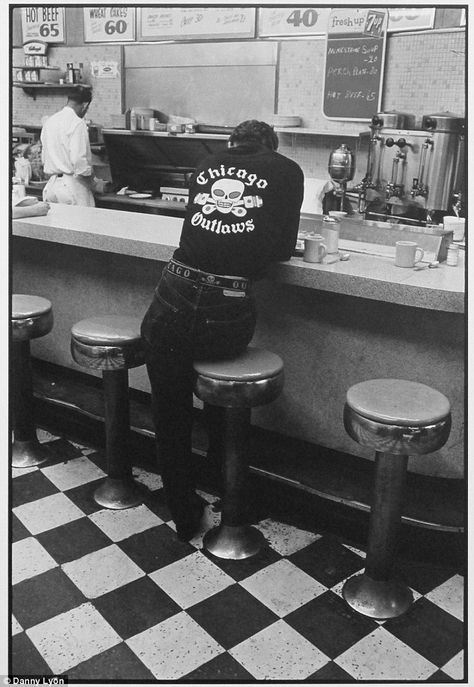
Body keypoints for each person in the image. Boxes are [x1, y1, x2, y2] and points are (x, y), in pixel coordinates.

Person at [141, 119, 304, 540]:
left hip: (173, 292)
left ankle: (183, 510)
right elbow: (282, 250)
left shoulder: (209, 162)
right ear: (272, 145)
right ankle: (225, 484)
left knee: (169, 408)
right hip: (228, 312)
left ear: (234, 144)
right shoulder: (288, 170)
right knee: (218, 382)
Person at [41, 87, 96, 207]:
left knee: (55, 225)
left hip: (52, 187)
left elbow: (44, 157)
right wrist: (94, 183)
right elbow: (78, 161)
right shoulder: (77, 123)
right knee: (82, 225)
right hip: (72, 188)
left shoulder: (50, 121)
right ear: (85, 105)